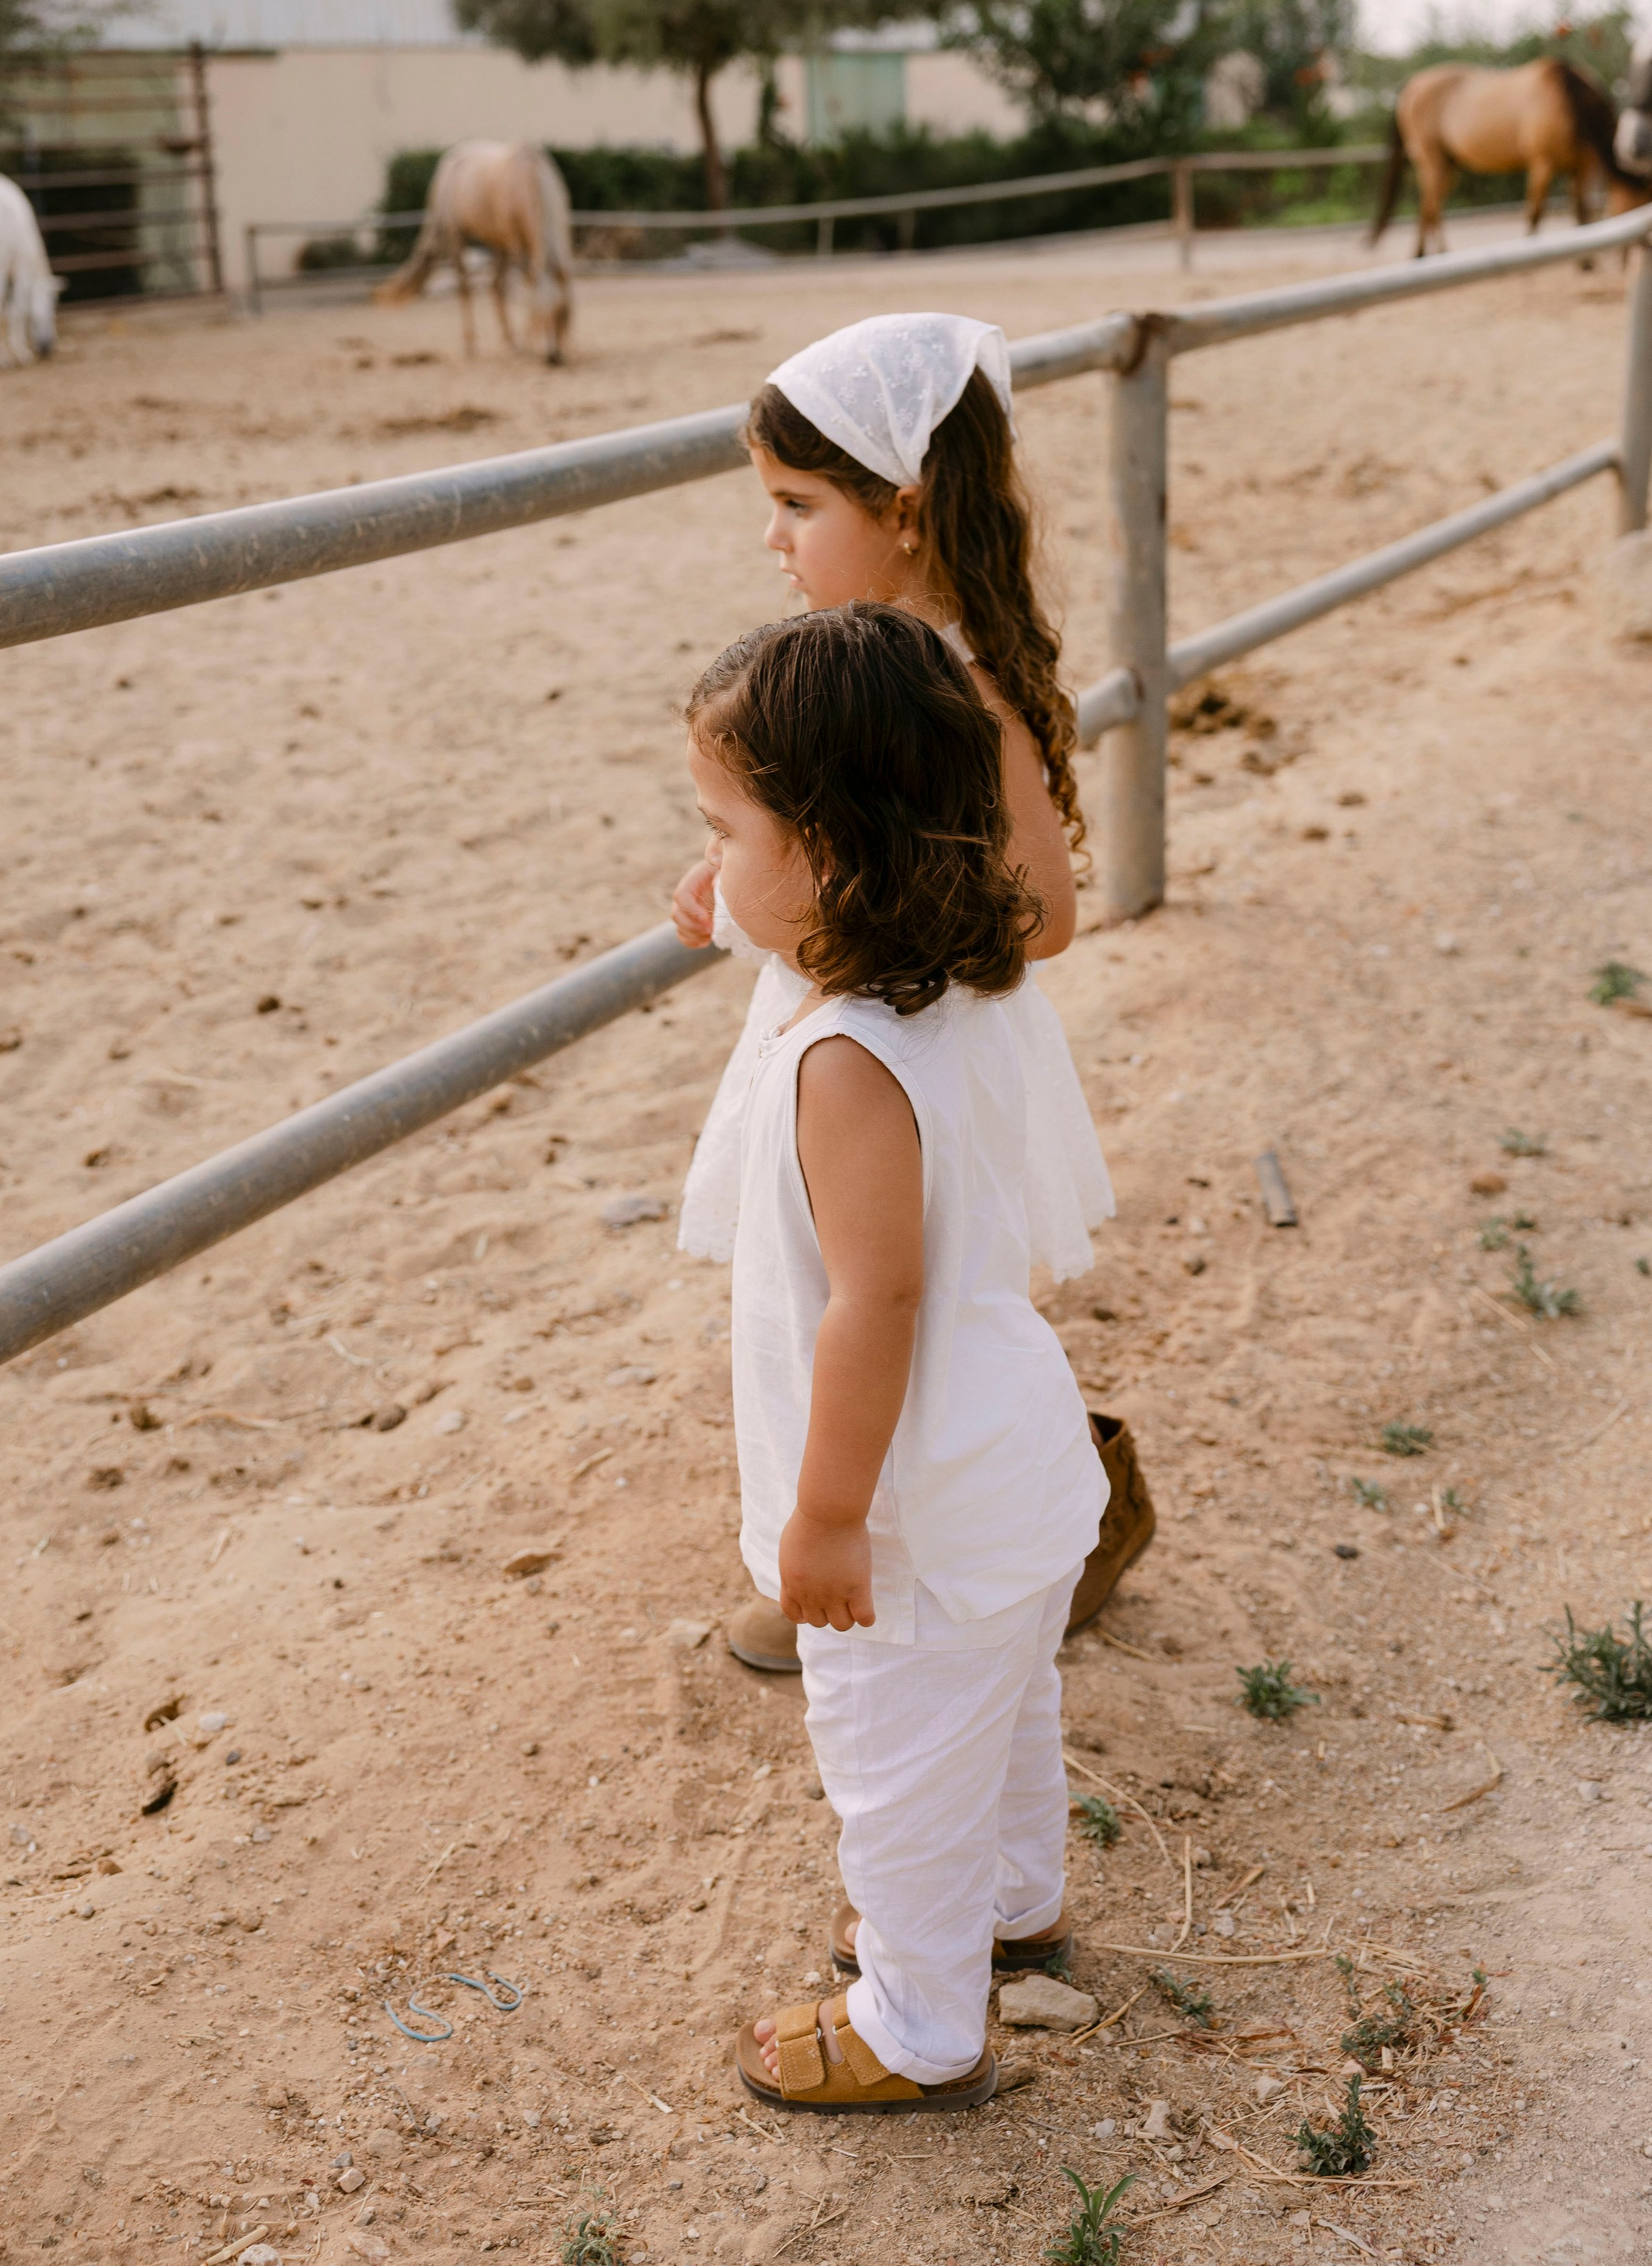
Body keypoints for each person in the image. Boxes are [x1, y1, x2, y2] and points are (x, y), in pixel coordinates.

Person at [671, 314, 1151, 1672]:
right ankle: (823, 1529)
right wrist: (725, 870)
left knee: (900, 1297)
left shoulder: (958, 682)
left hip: (919, 1049)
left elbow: (1047, 911)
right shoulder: (849, 666)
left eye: (798, 505)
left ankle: (933, 1544)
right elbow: (800, 819)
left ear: (906, 507)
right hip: (836, 1032)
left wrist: (905, 912)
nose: (775, 540)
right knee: (816, 1287)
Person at [684, 605, 1108, 2113]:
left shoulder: (845, 1061)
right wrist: (729, 892)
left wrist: (822, 1518)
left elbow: (874, 1303)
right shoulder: (968, 976)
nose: (713, 861)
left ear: (827, 850)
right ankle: (1013, 1909)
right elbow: (779, 911)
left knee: (895, 1768)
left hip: (914, 1505)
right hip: (1017, 1460)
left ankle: (916, 2024)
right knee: (1002, 1716)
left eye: (724, 828)